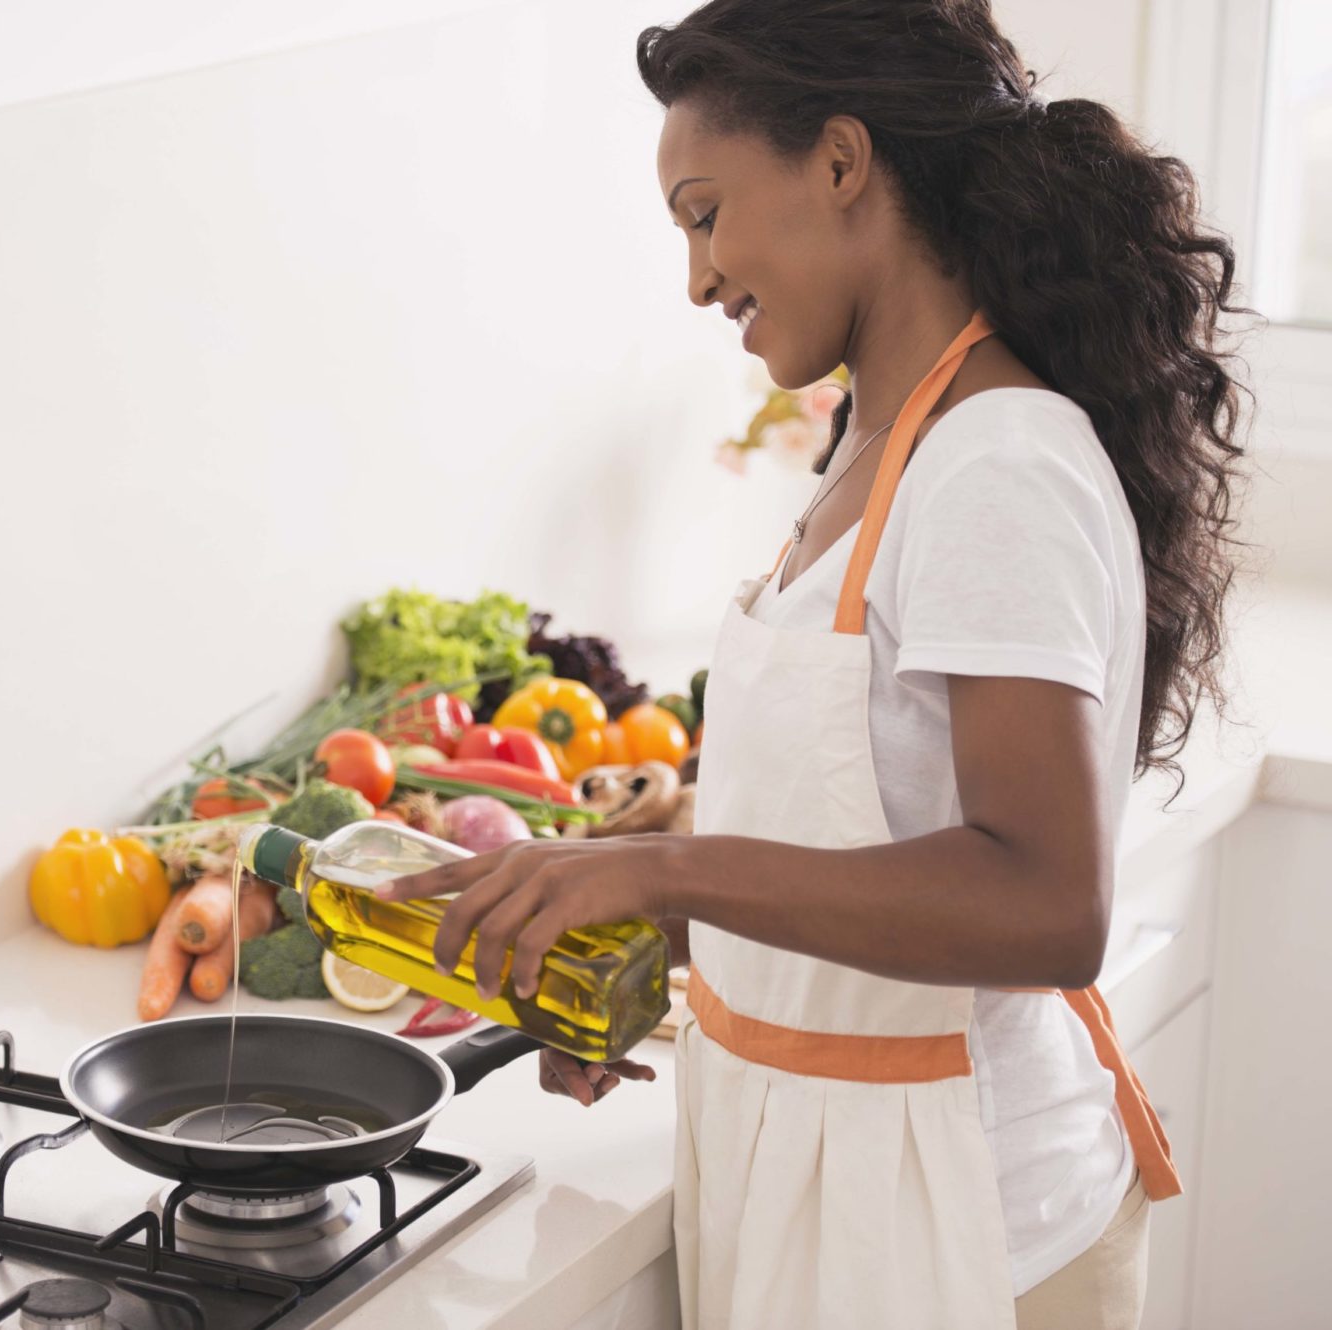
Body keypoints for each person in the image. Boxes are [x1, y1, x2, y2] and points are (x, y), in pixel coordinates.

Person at [376, 2, 1245, 1326]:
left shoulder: (999, 463)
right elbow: (867, 825)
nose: (696, 274)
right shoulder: (872, 437)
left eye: (705, 211)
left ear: (842, 164)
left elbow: (1048, 900)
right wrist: (641, 930)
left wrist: (663, 866)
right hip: (829, 1193)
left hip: (973, 1235)